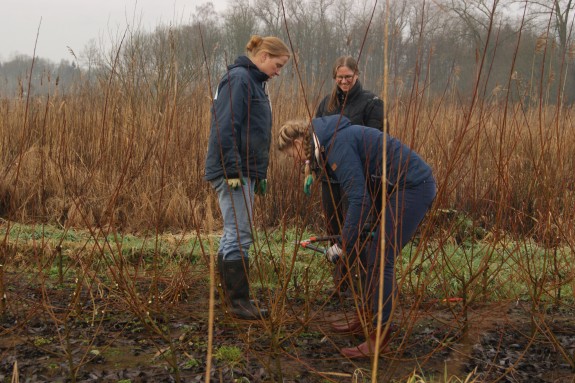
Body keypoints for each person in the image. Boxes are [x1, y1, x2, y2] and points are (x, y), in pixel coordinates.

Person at [277, 115, 436, 358]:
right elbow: (364, 190)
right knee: (368, 252)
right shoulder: (331, 142)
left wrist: (342, 243)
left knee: (381, 257)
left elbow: (359, 199)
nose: (295, 161)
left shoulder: (336, 144)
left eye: (291, 155)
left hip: (413, 186)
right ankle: (366, 319)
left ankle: (380, 338)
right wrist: (355, 234)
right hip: (395, 188)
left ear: (299, 143)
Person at [204, 35, 290, 320]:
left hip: (243, 170)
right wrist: (232, 170)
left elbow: (253, 133)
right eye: (277, 65)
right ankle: (239, 302)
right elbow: (226, 126)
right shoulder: (239, 80)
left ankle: (228, 297)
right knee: (240, 234)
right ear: (264, 56)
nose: (278, 72)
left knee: (233, 232)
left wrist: (258, 174)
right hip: (233, 171)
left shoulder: (255, 83)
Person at [315, 56, 384, 297]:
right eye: (340, 77)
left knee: (357, 229)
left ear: (357, 74)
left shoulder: (372, 103)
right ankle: (341, 284)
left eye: (348, 76)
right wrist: (312, 169)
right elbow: (316, 138)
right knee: (334, 230)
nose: (344, 81)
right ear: (335, 77)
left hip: (356, 178)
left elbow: (374, 141)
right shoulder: (327, 103)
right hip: (329, 178)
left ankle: (363, 286)